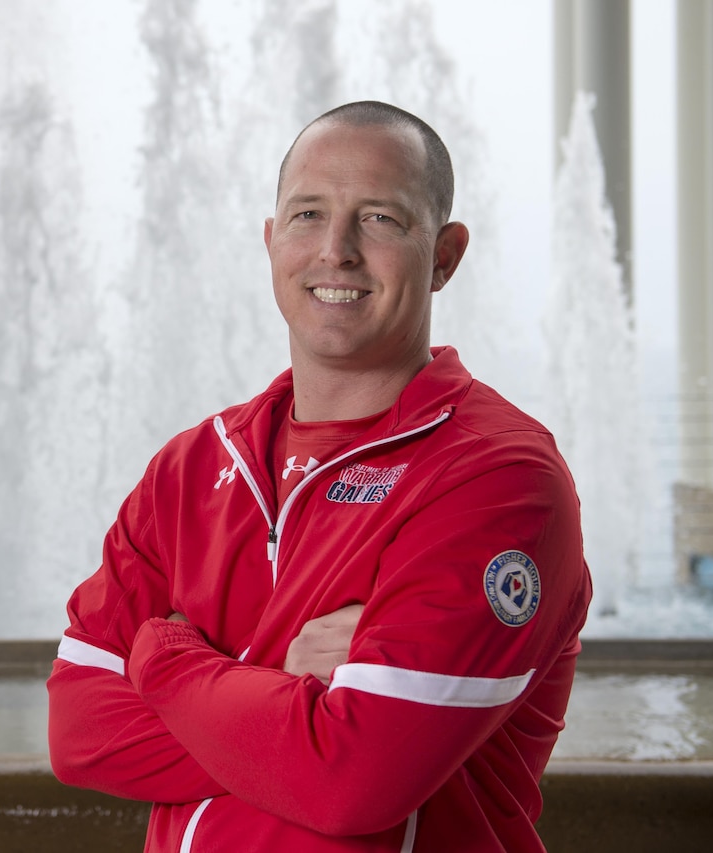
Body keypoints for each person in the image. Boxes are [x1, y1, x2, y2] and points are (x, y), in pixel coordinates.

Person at [47, 101, 592, 852]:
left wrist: (165, 659)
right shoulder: (191, 465)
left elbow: (352, 775)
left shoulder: (497, 477)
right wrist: (289, 693)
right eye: (308, 214)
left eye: (380, 220)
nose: (335, 250)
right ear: (272, 241)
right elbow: (80, 732)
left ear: (445, 254)